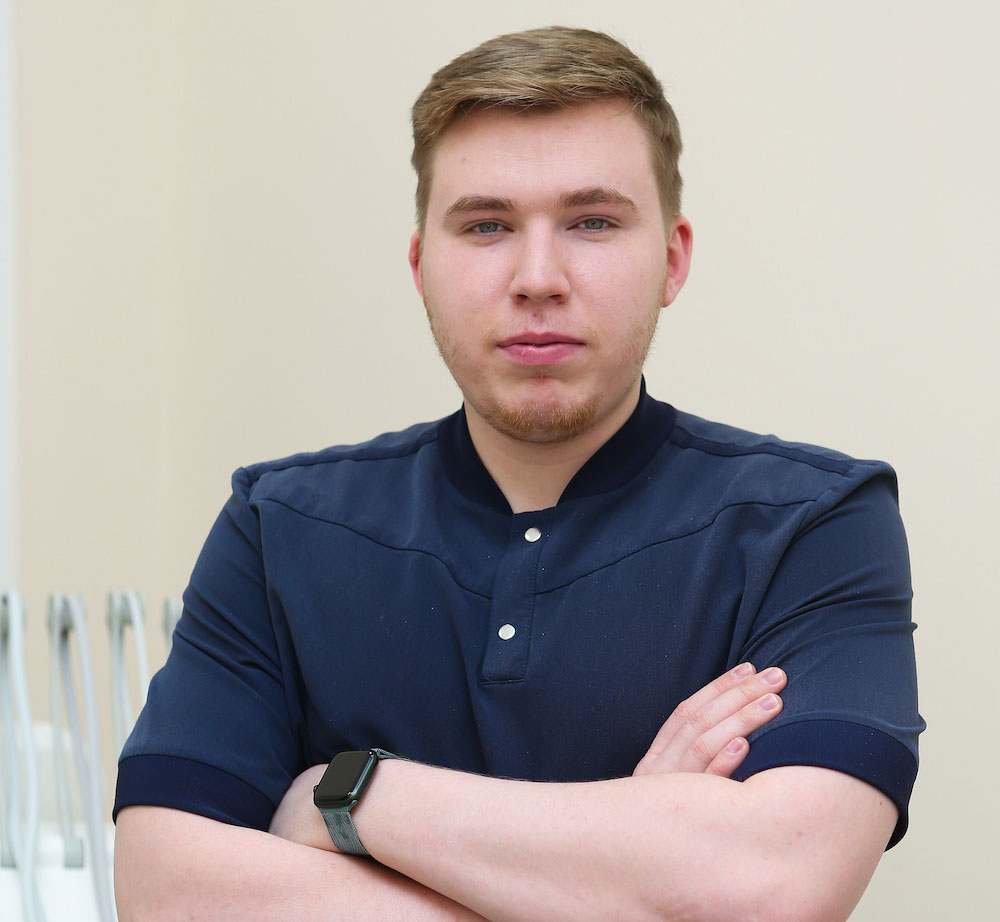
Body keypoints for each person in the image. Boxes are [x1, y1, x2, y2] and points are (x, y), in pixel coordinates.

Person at [113, 26, 923, 922]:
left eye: (593, 222)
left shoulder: (817, 523)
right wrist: (629, 872)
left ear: (673, 258)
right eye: (487, 226)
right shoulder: (277, 528)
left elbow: (774, 887)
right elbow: (165, 893)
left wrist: (353, 797)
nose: (539, 278)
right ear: (421, 265)